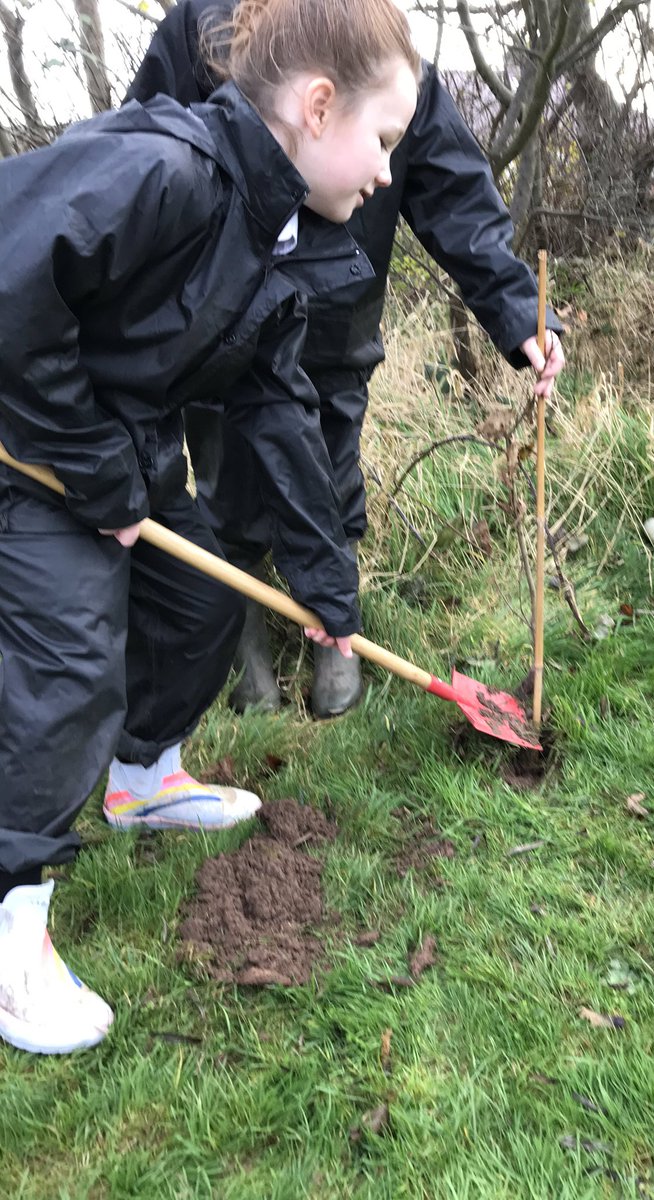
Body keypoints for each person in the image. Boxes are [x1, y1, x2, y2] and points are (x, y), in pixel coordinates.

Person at [0, 0, 421, 1055]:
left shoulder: (275, 239)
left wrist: (328, 588)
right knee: (71, 664)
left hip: (109, 449)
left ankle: (142, 779)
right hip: (23, 441)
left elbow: (276, 407)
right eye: (380, 142)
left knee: (199, 596)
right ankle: (9, 927)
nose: (382, 176)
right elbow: (12, 288)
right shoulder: (166, 169)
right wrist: (94, 470)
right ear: (317, 107)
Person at [127, 0, 566, 719]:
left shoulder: (375, 38)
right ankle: (242, 637)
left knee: (331, 473)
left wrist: (519, 311)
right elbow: (149, 159)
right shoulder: (198, 29)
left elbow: (451, 187)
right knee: (228, 479)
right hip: (225, 313)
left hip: (339, 313)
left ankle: (335, 627)